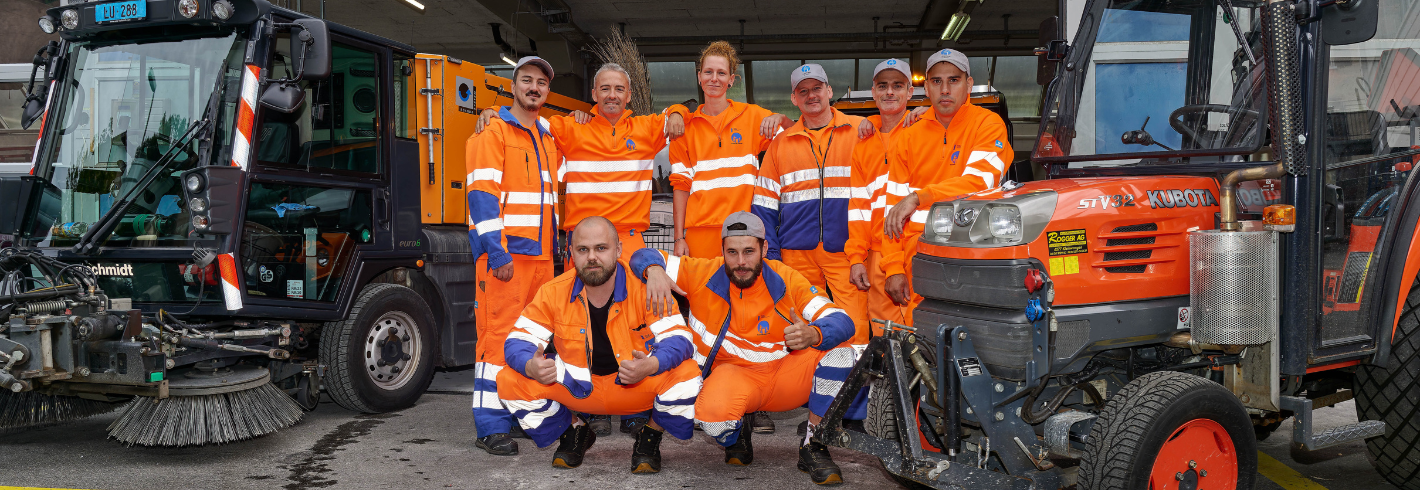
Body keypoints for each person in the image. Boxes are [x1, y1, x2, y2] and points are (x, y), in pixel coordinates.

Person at [476, 63, 690, 436]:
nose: (611, 95)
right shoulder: (567, 127)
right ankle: (589, 402)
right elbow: (524, 119)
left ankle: (634, 404)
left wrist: (676, 111)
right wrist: (493, 113)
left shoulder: (644, 128)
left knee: (638, 323)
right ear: (592, 95)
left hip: (629, 243)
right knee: (582, 326)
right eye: (604, 89)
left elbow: (686, 113)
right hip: (583, 248)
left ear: (629, 95)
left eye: (619, 90)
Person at [630, 212, 859, 485]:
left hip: (785, 375)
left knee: (842, 351)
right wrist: (654, 270)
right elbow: (640, 255)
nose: (740, 262)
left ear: (764, 248)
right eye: (732, 252)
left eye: (749, 251)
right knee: (713, 420)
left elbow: (843, 321)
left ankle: (814, 443)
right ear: (722, 251)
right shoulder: (702, 272)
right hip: (733, 377)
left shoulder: (786, 278)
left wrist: (814, 333)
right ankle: (738, 429)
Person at [498, 217, 701, 473]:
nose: (592, 257)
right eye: (583, 250)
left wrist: (650, 365)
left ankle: (650, 436)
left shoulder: (645, 288)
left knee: (687, 374)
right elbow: (517, 340)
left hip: (635, 386)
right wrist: (530, 365)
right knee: (508, 379)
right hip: (580, 389)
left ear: (618, 250)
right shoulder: (553, 292)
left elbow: (680, 339)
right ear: (571, 253)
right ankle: (574, 430)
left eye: (601, 248)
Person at [465, 56, 563, 456]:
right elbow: (481, 198)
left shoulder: (547, 136)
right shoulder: (493, 133)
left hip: (542, 260)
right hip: (506, 259)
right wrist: (496, 253)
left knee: (533, 341)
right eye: (527, 80)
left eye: (541, 82)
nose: (534, 87)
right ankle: (490, 426)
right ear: (513, 86)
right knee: (496, 339)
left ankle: (520, 409)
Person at [881, 49, 1014, 317]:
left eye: (953, 80)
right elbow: (892, 210)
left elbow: (979, 182)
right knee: (918, 342)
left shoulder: (988, 124)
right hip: (917, 259)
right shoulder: (908, 137)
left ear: (968, 84)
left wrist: (918, 197)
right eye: (937, 81)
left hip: (973, 252)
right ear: (926, 87)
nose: (945, 89)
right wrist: (894, 268)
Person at [669, 41, 792, 259]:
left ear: (731, 80)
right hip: (700, 234)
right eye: (708, 72)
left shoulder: (752, 116)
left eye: (721, 73)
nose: (714, 78)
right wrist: (679, 238)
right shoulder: (684, 128)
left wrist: (781, 118)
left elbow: (796, 136)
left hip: (744, 230)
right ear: (699, 77)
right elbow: (681, 186)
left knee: (744, 293)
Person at [846, 59, 915, 331]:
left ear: (910, 92)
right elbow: (859, 207)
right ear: (873, 92)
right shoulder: (863, 145)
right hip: (876, 256)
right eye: (883, 86)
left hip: (914, 249)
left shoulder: (921, 130)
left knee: (924, 336)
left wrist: (928, 114)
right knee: (885, 339)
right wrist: (856, 258)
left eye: (897, 86)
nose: (889, 92)